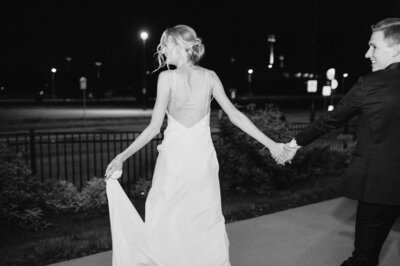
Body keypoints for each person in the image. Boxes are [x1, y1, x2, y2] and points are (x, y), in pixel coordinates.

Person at [104, 24, 287, 265]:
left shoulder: (166, 78)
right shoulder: (210, 76)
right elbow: (236, 116)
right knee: (204, 219)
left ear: (181, 47)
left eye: (166, 45)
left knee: (166, 218)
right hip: (202, 161)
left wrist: (122, 156)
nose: (162, 49)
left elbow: (153, 128)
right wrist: (271, 144)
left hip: (175, 162)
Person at [282, 18, 400, 266]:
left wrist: (292, 146)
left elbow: (330, 120)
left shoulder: (371, 84)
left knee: (363, 258)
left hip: (380, 187)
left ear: (397, 49)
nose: (368, 53)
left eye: (374, 47)